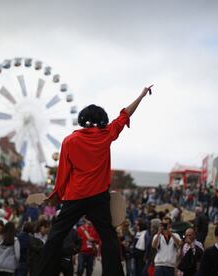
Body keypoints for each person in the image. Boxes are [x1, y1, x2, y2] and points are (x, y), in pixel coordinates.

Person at [35, 85, 154, 276]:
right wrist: (141, 95)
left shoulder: (69, 141)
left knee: (56, 235)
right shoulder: (106, 135)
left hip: (74, 196)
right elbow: (124, 116)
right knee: (108, 238)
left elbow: (63, 173)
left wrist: (57, 194)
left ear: (83, 120)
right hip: (98, 197)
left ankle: (43, 273)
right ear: (101, 119)